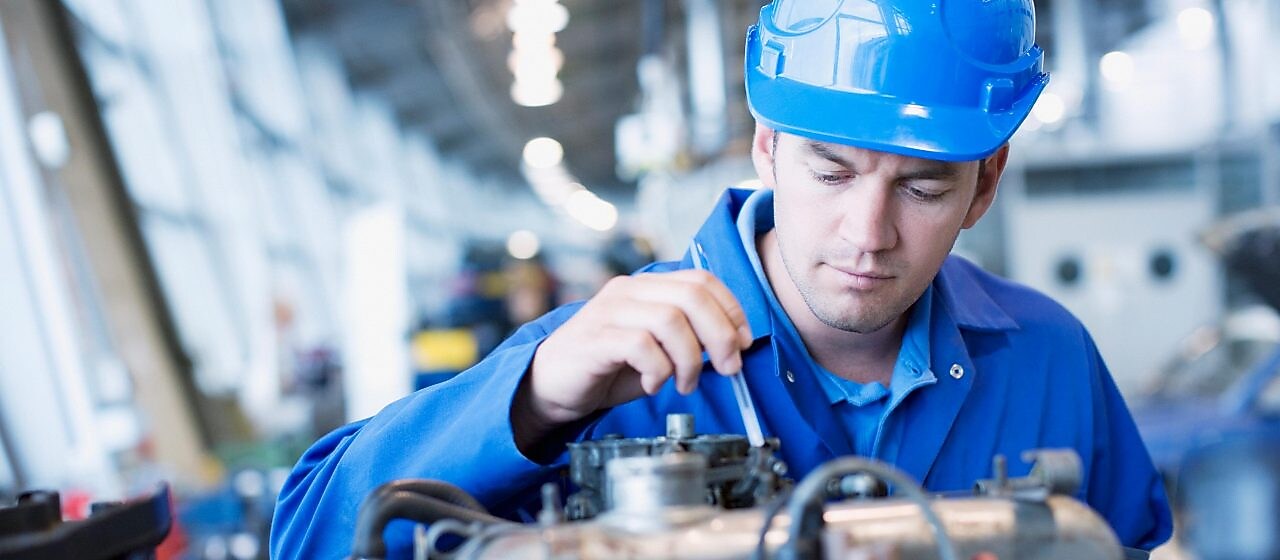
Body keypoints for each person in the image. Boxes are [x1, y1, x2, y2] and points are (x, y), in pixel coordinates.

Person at [271, 1, 1173, 557]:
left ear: (986, 186)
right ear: (767, 146)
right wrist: (537, 397)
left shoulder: (1050, 360)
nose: (869, 233)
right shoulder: (609, 364)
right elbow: (309, 535)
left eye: (924, 187)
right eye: (831, 172)